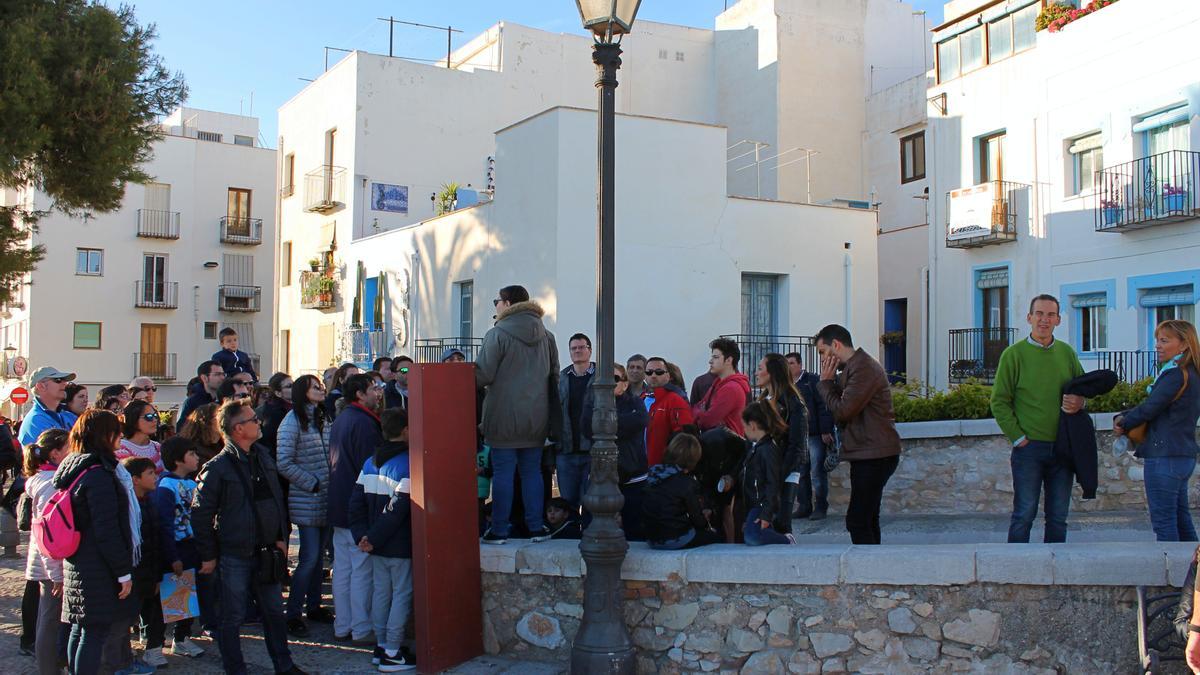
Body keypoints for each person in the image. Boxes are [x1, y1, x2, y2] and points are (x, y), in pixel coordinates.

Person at [192, 399, 304, 675]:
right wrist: (208, 555)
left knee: (274, 614)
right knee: (231, 617)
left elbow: (276, 499)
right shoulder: (217, 467)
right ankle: (236, 669)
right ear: (238, 428)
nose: (259, 422)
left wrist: (280, 536)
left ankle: (284, 666)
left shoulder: (263, 457)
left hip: (267, 551)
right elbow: (200, 514)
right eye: (253, 419)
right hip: (234, 553)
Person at [990, 295, 1085, 544]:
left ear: (1058, 320)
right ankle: (1016, 573)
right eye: (1040, 314)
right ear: (1029, 317)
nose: (1045, 320)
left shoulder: (1067, 353)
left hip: (1063, 447)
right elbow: (999, 401)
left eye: (1050, 315)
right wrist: (1018, 438)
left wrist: (1081, 402)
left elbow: (1084, 388)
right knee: (1024, 514)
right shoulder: (1014, 355)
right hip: (1029, 449)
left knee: (1058, 517)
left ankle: (1056, 572)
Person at [475, 284, 559, 545]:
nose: (496, 306)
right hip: (537, 417)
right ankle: (536, 526)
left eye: (497, 301)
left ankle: (499, 529)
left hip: (503, 416)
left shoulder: (497, 334)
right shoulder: (547, 336)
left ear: (508, 303)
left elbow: (483, 375)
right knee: (531, 472)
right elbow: (554, 375)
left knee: (503, 473)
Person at [54, 409, 134, 675]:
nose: (120, 436)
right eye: (116, 431)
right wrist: (122, 572)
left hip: (77, 560)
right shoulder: (98, 473)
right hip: (97, 565)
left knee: (80, 628)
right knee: (93, 633)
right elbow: (106, 529)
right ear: (104, 435)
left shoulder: (75, 465)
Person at [816, 324, 902, 545]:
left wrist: (825, 384)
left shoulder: (863, 368)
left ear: (836, 345)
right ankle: (873, 569)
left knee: (858, 520)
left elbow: (844, 410)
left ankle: (867, 570)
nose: (823, 360)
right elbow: (843, 408)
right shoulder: (853, 368)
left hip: (874, 454)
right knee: (868, 518)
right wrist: (831, 384)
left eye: (823, 352)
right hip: (868, 453)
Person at [1115, 320, 1200, 542]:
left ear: (1183, 345)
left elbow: (1151, 407)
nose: (1158, 346)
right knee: (1182, 521)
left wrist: (1123, 421)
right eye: (1157, 340)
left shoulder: (1175, 374)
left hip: (1165, 456)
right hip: (1182, 455)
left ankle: (1173, 575)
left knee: (1164, 523)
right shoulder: (1192, 374)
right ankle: (1193, 575)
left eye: (1165, 340)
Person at [348, 408, 418, 671]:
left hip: (374, 544)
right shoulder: (409, 464)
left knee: (381, 592)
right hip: (397, 544)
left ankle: (382, 646)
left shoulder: (370, 462)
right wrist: (372, 538)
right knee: (400, 594)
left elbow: (354, 504)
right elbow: (397, 510)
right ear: (406, 431)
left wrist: (362, 537)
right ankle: (392, 651)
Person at [276, 374, 335, 636]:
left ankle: (314, 606)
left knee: (316, 559)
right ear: (304, 392)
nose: (321, 390)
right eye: (315, 387)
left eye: (321, 386)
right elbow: (284, 462)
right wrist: (311, 482)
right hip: (307, 498)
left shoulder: (323, 417)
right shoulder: (291, 422)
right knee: (309, 558)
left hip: (325, 497)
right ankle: (293, 612)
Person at [328, 373, 383, 644]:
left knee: (344, 569)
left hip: (339, 504)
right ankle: (361, 629)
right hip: (357, 507)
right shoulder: (364, 424)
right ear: (360, 394)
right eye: (374, 388)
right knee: (361, 569)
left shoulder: (343, 419)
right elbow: (369, 469)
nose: (378, 392)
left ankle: (343, 626)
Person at [102, 457, 163, 673]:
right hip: (131, 573)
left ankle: (125, 660)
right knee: (120, 624)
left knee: (130, 619)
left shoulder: (149, 501)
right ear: (134, 479)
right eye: (150, 474)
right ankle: (116, 664)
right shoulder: (127, 506)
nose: (155, 477)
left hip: (146, 572)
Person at [152, 436, 207, 658]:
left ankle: (182, 638)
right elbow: (164, 524)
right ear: (178, 459)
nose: (197, 458)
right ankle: (154, 645)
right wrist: (172, 555)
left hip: (191, 546)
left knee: (187, 596)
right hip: (174, 548)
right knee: (166, 599)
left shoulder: (194, 483)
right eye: (192, 454)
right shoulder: (165, 486)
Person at [582, 363, 648, 541]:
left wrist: (606, 424)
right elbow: (587, 428)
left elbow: (639, 422)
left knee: (635, 527)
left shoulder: (636, 403)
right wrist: (617, 425)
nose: (609, 383)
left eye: (615, 379)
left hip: (633, 474)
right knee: (591, 523)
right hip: (601, 473)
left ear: (625, 384)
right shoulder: (591, 403)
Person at [24, 428, 70, 675]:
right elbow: (49, 533)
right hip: (51, 564)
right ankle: (47, 669)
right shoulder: (51, 484)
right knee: (50, 619)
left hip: (48, 562)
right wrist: (57, 574)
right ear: (55, 454)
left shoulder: (45, 479)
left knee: (50, 618)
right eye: (69, 448)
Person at [756, 353, 809, 534]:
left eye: (760, 368)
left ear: (772, 373)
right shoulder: (761, 402)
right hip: (764, 470)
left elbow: (797, 445)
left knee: (782, 523)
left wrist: (778, 475)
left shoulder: (793, 403)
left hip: (785, 471)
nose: (756, 373)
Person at [642, 434, 720, 550]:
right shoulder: (686, 483)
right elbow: (698, 521)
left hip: (651, 538)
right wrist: (707, 515)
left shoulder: (652, 473)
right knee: (716, 537)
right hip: (674, 538)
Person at [730, 402, 793, 546]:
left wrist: (767, 513)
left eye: (744, 426)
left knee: (753, 537)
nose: (744, 430)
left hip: (762, 505)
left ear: (752, 425)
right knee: (750, 535)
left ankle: (786, 540)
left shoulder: (768, 449)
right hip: (754, 505)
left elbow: (773, 483)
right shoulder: (756, 448)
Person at [786, 352, 835, 520]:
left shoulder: (811, 381)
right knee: (801, 473)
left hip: (814, 435)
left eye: (792, 363)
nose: (789, 366)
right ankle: (804, 506)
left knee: (816, 472)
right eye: (787, 363)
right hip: (798, 437)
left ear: (800, 364)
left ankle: (821, 506)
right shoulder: (787, 386)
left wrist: (825, 430)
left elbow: (824, 406)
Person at [557, 333, 596, 510]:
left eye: (581, 347)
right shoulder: (561, 378)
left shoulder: (603, 377)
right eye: (574, 348)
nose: (577, 351)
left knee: (591, 501)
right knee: (568, 502)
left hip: (593, 451)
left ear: (590, 350)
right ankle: (571, 536)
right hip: (567, 451)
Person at [692, 338, 751, 436]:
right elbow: (697, 406)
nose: (710, 361)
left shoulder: (731, 388)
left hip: (726, 447)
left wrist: (699, 413)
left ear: (728, 360)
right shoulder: (718, 384)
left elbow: (708, 421)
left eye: (715, 357)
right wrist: (700, 412)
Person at [644, 357, 696, 467]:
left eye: (659, 372)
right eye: (649, 372)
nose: (653, 376)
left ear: (668, 376)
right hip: (638, 470)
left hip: (662, 470)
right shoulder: (641, 398)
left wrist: (671, 466)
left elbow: (685, 438)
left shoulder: (675, 400)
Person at [19, 366, 78, 446]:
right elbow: (58, 453)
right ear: (40, 386)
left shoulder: (68, 416)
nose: (65, 384)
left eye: (64, 380)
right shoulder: (36, 420)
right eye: (58, 380)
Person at [117, 400, 164, 474]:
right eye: (149, 417)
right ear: (133, 419)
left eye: (155, 416)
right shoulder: (121, 448)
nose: (155, 420)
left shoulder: (157, 447)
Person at [177, 361, 225, 432]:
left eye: (223, 374)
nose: (222, 377)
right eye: (217, 374)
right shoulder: (191, 402)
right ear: (204, 378)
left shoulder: (226, 399)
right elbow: (182, 429)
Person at [260, 372, 294, 457]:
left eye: (294, 384)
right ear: (278, 393)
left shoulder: (297, 406)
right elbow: (271, 441)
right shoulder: (273, 413)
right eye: (289, 386)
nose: (295, 388)